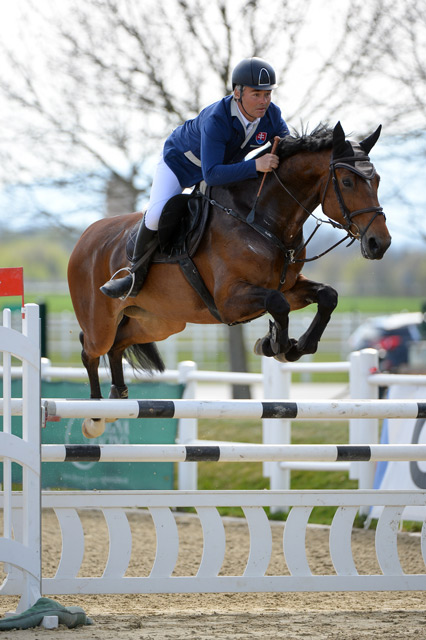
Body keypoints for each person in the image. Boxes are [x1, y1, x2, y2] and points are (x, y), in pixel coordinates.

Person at [100, 57, 290, 299]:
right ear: (238, 93)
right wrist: (255, 165)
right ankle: (133, 274)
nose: (264, 101)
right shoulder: (217, 119)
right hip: (179, 164)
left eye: (268, 94)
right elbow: (211, 175)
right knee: (158, 215)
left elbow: (287, 145)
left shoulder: (272, 115)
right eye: (256, 94)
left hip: (221, 167)